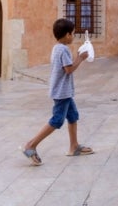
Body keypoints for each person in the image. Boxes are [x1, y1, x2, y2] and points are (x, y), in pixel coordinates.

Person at [21, 18, 93, 166]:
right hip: (62, 92)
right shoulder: (64, 49)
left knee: (73, 116)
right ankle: (31, 144)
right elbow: (69, 69)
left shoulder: (56, 48)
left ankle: (74, 146)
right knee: (57, 120)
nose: (73, 36)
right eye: (72, 34)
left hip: (62, 91)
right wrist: (80, 58)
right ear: (67, 35)